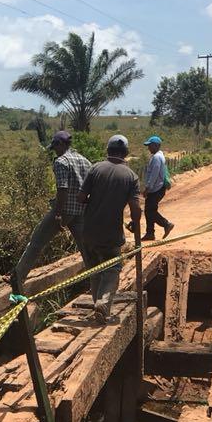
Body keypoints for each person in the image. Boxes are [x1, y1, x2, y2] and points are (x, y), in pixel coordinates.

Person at [10, 129, 91, 294]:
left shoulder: (61, 161)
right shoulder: (85, 161)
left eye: (55, 147)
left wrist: (58, 214)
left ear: (61, 144)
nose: (55, 150)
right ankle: (96, 280)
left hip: (64, 210)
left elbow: (62, 190)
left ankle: (17, 279)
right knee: (86, 248)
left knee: (37, 242)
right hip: (81, 211)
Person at [76, 134, 142, 321]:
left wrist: (95, 201)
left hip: (88, 231)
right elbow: (136, 209)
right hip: (111, 234)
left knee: (95, 270)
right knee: (112, 268)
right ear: (126, 153)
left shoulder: (95, 169)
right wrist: (134, 223)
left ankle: (98, 308)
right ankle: (103, 303)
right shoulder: (131, 176)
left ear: (107, 151)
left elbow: (81, 198)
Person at [141, 135, 174, 241]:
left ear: (156, 145)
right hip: (158, 188)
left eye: (150, 145)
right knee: (149, 210)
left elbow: (154, 175)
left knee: (150, 211)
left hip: (156, 189)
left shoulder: (156, 158)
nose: (148, 148)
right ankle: (150, 233)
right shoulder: (159, 156)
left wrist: (147, 188)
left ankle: (166, 224)